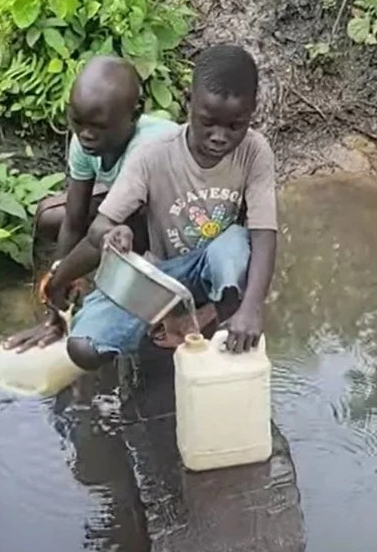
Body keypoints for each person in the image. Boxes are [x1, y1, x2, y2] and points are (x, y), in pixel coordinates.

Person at [41, 43, 277, 368]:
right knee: (83, 347)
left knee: (236, 242)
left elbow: (264, 233)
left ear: (251, 112)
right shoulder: (153, 154)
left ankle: (211, 316)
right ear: (189, 102)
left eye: (234, 126)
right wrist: (111, 235)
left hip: (214, 269)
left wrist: (253, 308)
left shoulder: (255, 151)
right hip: (161, 276)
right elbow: (98, 227)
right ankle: (165, 321)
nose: (219, 137)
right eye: (208, 122)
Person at [6, 55, 178, 351]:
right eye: (77, 122)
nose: (85, 135)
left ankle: (126, 301)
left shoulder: (149, 148)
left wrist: (59, 279)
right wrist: (55, 309)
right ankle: (76, 290)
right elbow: (74, 221)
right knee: (50, 216)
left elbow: (104, 232)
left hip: (173, 225)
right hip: (126, 215)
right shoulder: (84, 141)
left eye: (98, 126)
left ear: (135, 114)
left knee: (120, 236)